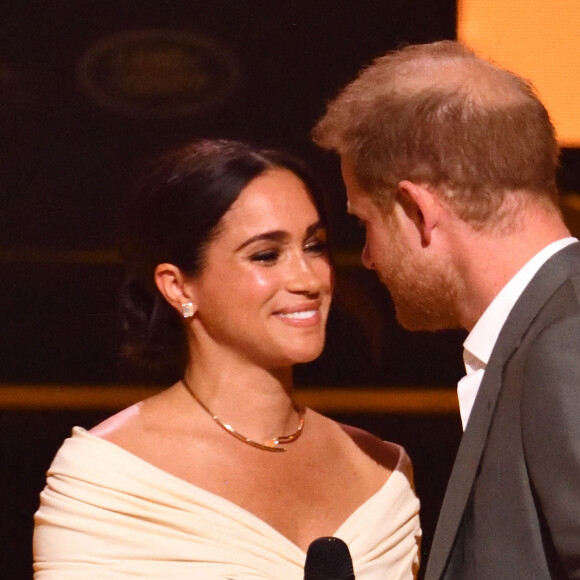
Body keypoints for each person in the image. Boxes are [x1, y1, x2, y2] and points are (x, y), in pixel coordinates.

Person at [33, 138, 421, 579]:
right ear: (178, 287)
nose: (308, 278)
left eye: (314, 247)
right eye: (266, 255)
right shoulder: (106, 480)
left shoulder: (382, 473)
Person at [312, 40, 580, 579]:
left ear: (417, 209)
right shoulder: (544, 334)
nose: (366, 258)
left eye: (365, 222)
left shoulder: (564, 345)